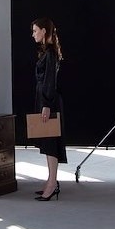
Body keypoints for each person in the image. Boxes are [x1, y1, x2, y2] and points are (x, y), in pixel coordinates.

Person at [31, 18, 67, 201]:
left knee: (51, 143)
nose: (33, 34)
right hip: (45, 100)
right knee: (47, 142)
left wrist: (46, 105)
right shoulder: (47, 51)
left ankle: (52, 184)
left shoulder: (51, 53)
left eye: (35, 31)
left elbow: (50, 81)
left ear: (44, 31)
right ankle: (50, 181)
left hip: (49, 102)